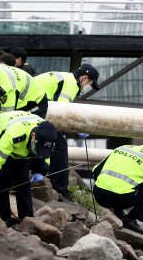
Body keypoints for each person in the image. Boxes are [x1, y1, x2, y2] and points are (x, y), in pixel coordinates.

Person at [35, 64, 102, 201]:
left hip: (33, 107)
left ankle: (51, 181)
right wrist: (75, 130)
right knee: (60, 146)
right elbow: (61, 112)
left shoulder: (65, 77)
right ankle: (60, 189)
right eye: (88, 84)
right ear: (84, 78)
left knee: (53, 143)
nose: (85, 87)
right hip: (38, 108)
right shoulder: (72, 84)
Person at [0, 111, 57, 225]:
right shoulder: (14, 134)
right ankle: (4, 217)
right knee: (3, 176)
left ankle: (27, 217)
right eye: (37, 148)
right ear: (33, 136)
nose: (38, 152)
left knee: (22, 177)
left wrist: (40, 170)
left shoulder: (49, 134)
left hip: (22, 145)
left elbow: (46, 155)